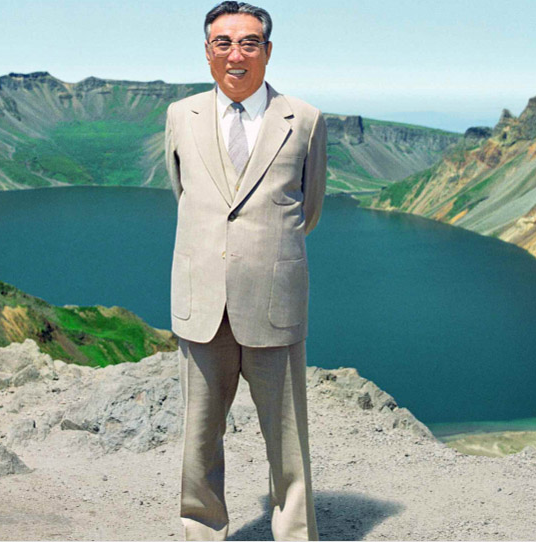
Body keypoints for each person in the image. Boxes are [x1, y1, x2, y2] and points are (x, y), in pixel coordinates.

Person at [164, 1, 326, 540]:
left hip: (273, 303)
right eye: (224, 43)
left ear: (268, 51)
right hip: (202, 302)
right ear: (208, 52)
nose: (236, 54)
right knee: (198, 440)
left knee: (288, 443)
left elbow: (308, 211)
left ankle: (295, 534)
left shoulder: (304, 120)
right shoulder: (180, 115)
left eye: (249, 42)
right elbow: (184, 194)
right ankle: (202, 531)